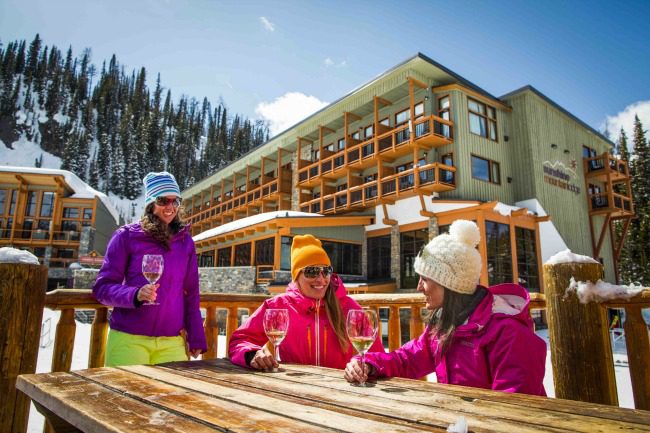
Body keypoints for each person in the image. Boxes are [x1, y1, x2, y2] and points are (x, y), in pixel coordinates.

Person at [344, 220, 546, 396]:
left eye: (425, 279)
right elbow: (407, 359)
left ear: (449, 285)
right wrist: (369, 364)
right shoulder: (445, 326)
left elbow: (514, 409)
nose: (418, 287)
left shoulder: (509, 334)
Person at [93, 171, 207, 366]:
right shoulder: (126, 236)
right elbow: (102, 288)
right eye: (164, 200)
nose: (171, 207)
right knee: (124, 396)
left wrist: (196, 334)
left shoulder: (185, 242)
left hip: (171, 342)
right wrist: (134, 295)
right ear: (151, 204)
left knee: (172, 397)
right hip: (129, 340)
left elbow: (191, 291)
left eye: (175, 201)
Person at [229, 234, 384, 370]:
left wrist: (367, 366)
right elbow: (239, 341)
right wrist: (252, 355)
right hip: (295, 390)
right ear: (296, 276)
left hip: (342, 391)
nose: (321, 279)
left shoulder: (350, 308)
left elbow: (377, 356)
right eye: (311, 272)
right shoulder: (277, 306)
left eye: (326, 271)